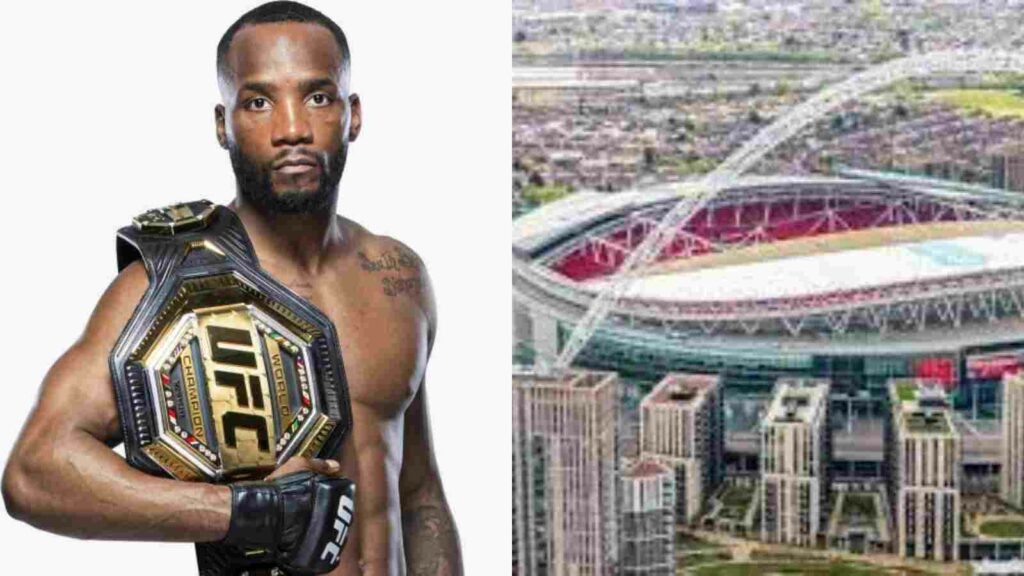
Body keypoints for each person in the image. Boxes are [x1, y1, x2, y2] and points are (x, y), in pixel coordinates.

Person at [1, 2, 462, 575]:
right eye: (259, 102)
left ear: (354, 114)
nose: (292, 128)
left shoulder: (398, 277)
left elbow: (419, 498)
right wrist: (244, 511)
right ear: (224, 125)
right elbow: (34, 472)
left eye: (317, 96)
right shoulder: (171, 285)